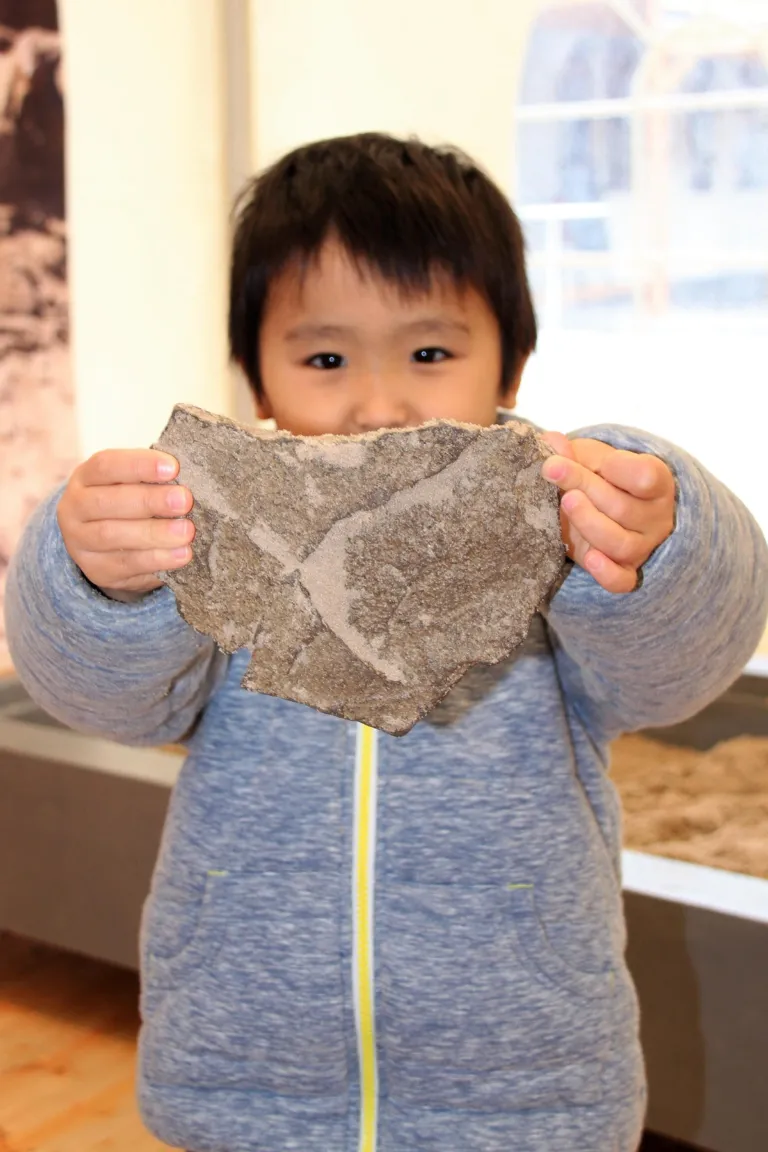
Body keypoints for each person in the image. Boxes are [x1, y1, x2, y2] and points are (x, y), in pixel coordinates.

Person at [6, 133, 768, 1152]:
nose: (378, 402)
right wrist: (99, 576)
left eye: (430, 353)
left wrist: (653, 545)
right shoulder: (221, 536)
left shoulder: (552, 540)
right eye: (324, 358)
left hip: (526, 1086)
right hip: (247, 1075)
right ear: (259, 384)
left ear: (511, 366)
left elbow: (682, 667)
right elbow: (102, 701)